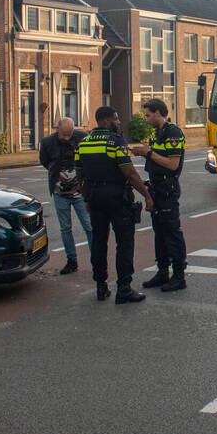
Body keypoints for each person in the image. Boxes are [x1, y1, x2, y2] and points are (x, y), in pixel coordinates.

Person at [75, 106, 154, 303]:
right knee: (124, 243)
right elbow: (129, 173)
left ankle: (101, 286)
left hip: (94, 197)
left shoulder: (82, 143)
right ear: (105, 121)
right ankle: (124, 289)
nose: (119, 122)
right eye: (116, 119)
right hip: (117, 197)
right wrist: (146, 195)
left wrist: (86, 198)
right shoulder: (115, 142)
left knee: (99, 242)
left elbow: (79, 175)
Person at [131, 98, 188, 292]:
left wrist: (148, 153)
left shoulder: (173, 132)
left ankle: (179, 276)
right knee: (159, 233)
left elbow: (172, 164)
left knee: (172, 232)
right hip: (156, 187)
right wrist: (144, 152)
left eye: (147, 115)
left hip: (167, 188)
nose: (146, 119)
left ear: (157, 113)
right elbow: (157, 157)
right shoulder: (158, 132)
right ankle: (163, 272)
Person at [39, 117, 93, 275]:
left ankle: (96, 259)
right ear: (57, 129)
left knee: (89, 226)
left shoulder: (82, 137)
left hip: (80, 192)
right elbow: (45, 161)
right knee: (65, 228)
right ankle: (72, 261)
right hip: (59, 192)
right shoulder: (48, 142)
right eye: (64, 135)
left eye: (70, 134)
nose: (67, 138)